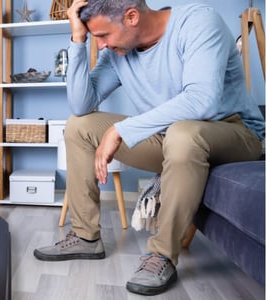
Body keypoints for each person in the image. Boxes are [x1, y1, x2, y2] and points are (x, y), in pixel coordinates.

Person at [33, 0, 265, 296]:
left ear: (131, 17)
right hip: (173, 137)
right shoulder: (119, 53)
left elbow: (201, 100)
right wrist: (78, 40)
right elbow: (81, 105)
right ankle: (85, 237)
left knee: (183, 133)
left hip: (235, 132)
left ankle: (162, 254)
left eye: (102, 36)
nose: (101, 46)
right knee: (79, 126)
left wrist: (121, 130)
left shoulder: (197, 22)